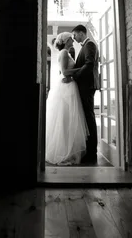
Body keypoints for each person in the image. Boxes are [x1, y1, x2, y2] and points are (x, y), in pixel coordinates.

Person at [45, 32, 89, 165]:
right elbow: (64, 72)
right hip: (66, 88)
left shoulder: (67, 52)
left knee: (70, 119)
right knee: (65, 119)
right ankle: (63, 151)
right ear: (66, 41)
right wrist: (81, 69)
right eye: (70, 39)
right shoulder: (64, 53)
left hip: (70, 85)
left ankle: (69, 150)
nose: (72, 40)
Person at [62, 24, 100, 163]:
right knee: (86, 117)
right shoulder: (85, 46)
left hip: (87, 86)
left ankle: (92, 153)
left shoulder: (90, 45)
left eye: (75, 35)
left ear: (81, 33)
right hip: (85, 86)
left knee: (89, 118)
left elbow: (89, 65)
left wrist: (75, 76)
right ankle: (88, 151)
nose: (75, 38)